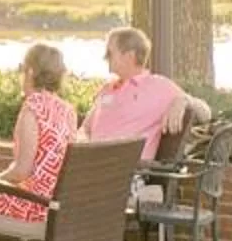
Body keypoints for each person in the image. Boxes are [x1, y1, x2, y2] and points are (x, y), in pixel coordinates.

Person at [0, 43, 83, 240]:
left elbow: (21, 171)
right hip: (56, 204)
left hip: (35, 205)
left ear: (30, 71)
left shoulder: (33, 108)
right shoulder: (67, 110)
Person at [81, 27, 202, 161]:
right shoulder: (108, 89)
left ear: (129, 56)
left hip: (126, 172)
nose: (104, 58)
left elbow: (206, 113)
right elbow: (85, 129)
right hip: (92, 167)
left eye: (109, 53)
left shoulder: (158, 86)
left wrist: (184, 100)